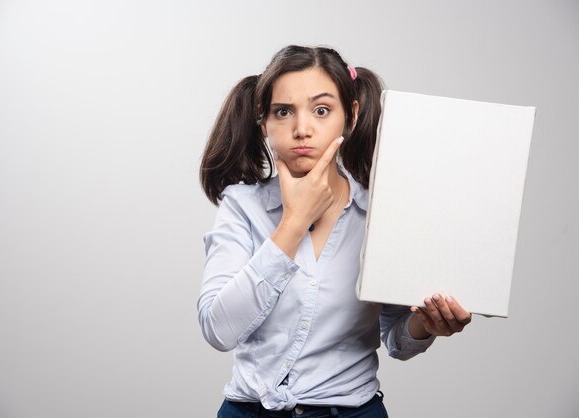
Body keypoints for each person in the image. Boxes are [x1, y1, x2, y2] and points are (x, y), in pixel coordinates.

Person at [198, 45, 472, 418]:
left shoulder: (380, 214)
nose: (302, 129)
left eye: (322, 110)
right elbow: (218, 330)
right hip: (249, 411)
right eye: (283, 112)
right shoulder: (241, 206)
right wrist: (293, 223)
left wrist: (427, 322)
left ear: (351, 116)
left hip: (352, 411)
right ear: (263, 122)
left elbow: (396, 339)